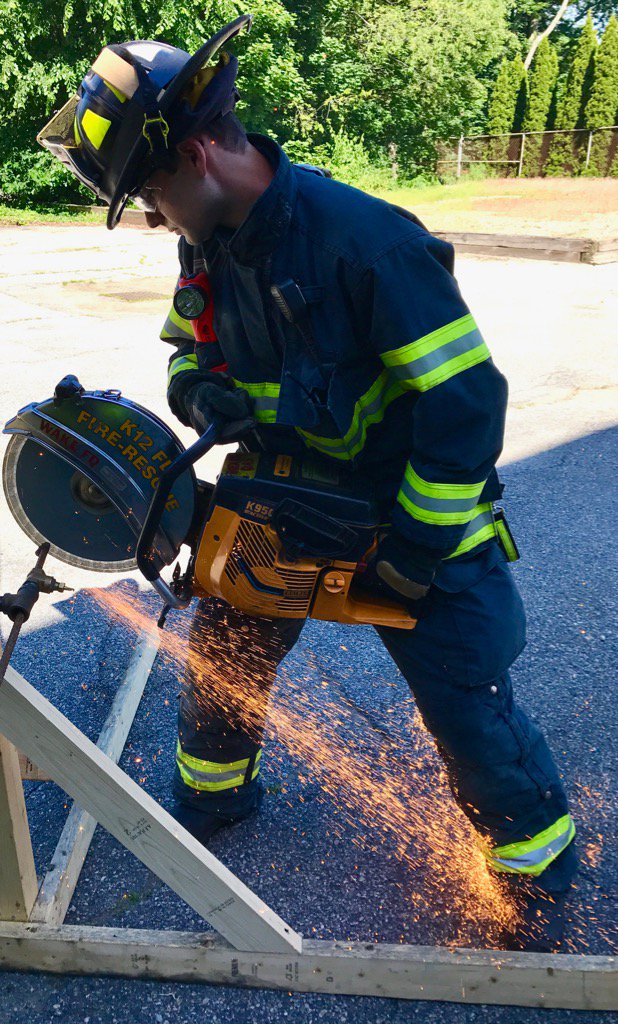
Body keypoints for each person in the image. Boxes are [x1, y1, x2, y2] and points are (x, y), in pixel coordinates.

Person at [38, 15, 577, 951]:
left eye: (156, 193)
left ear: (201, 154)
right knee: (227, 664)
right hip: (279, 498)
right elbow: (188, 344)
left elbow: (466, 403)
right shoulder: (207, 245)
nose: (157, 216)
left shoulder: (365, 244)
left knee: (464, 703)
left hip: (401, 510)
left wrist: (416, 547)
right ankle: (213, 798)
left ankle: (535, 868)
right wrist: (193, 386)